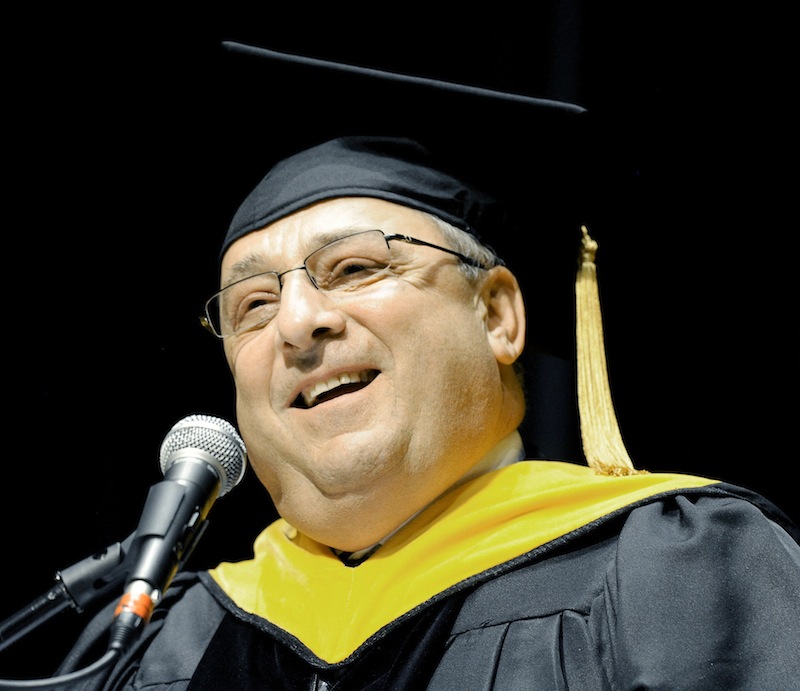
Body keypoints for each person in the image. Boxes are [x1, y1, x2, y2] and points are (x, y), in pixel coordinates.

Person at [31, 41, 800, 690]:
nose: (297, 322)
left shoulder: (680, 575)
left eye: (355, 267)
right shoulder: (157, 649)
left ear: (497, 315)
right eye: (253, 305)